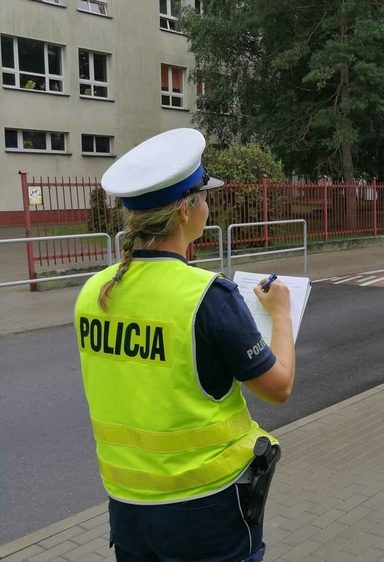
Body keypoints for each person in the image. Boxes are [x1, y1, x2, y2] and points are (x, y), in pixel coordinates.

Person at [74, 128, 296, 562]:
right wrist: (281, 314)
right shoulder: (209, 296)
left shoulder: (92, 292)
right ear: (184, 211)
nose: (209, 205)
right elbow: (279, 386)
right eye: (203, 196)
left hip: (128, 505)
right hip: (205, 507)